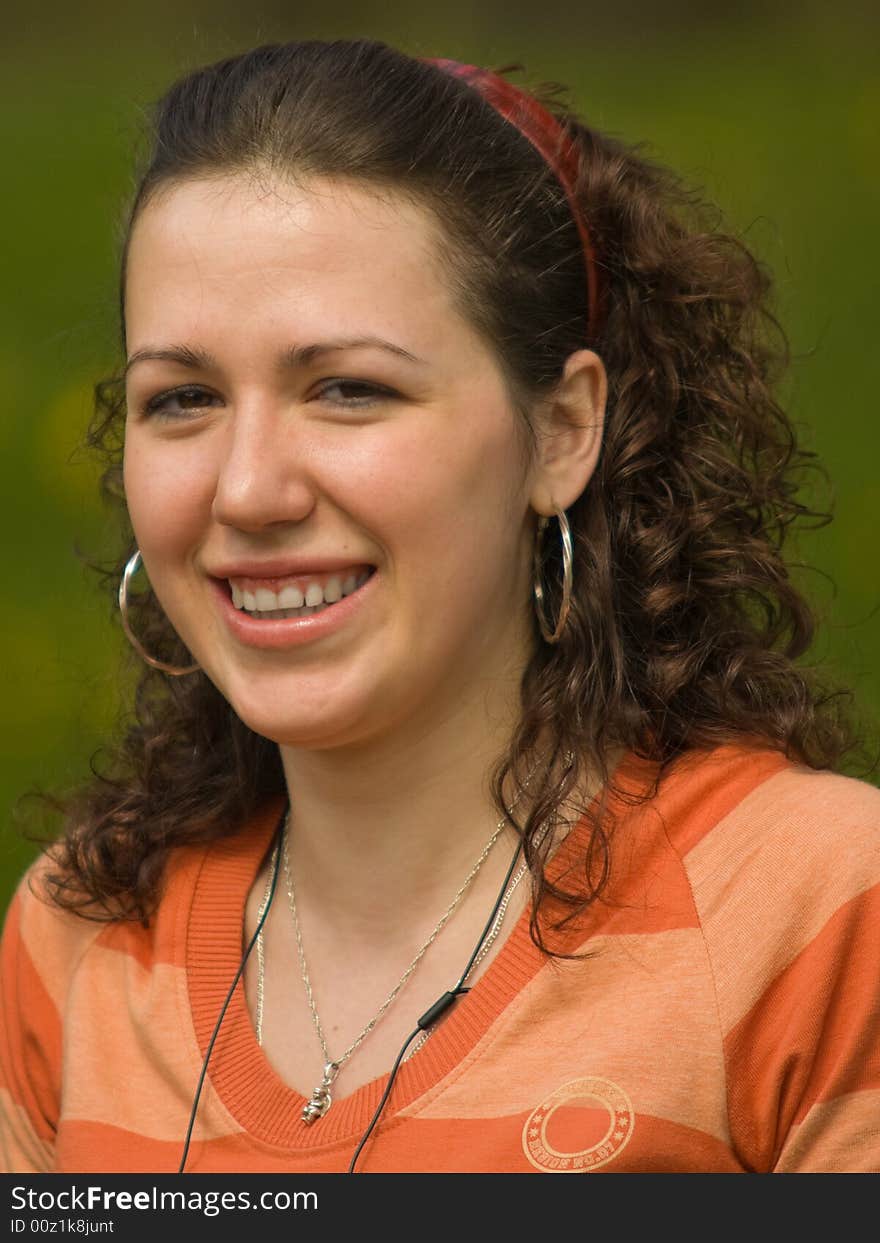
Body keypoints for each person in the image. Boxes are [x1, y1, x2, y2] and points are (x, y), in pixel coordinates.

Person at [1, 38, 878, 1176]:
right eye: (184, 399)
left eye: (349, 389)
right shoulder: (81, 936)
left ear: (560, 432)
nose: (249, 488)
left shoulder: (811, 911)